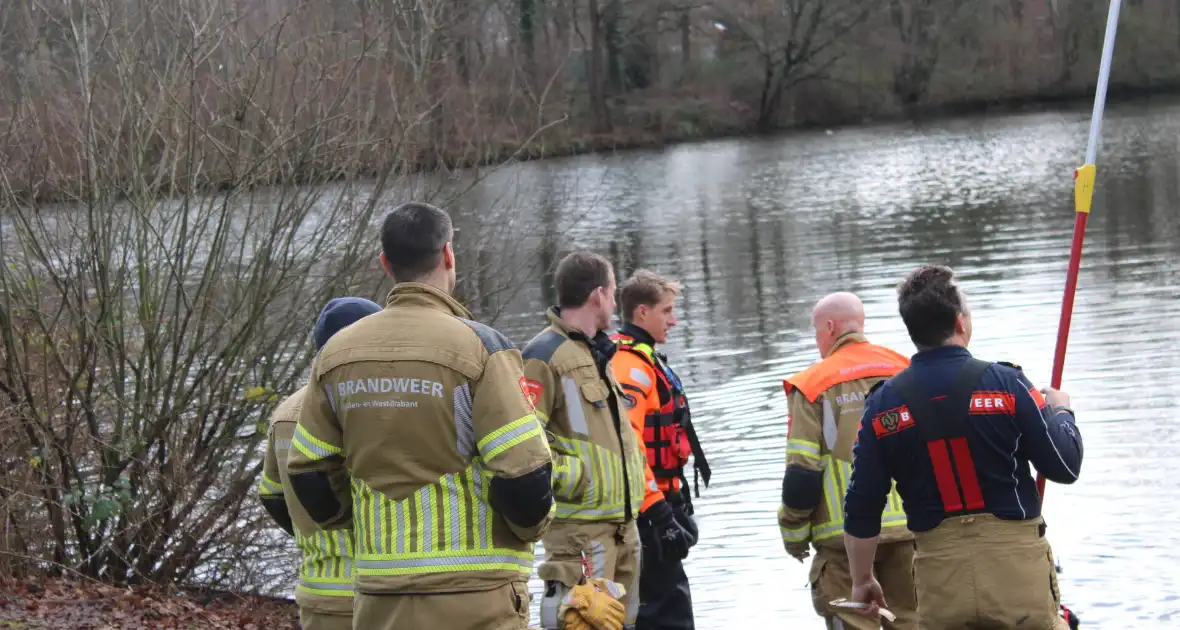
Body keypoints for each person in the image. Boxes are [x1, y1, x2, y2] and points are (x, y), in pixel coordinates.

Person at [285, 202, 556, 630]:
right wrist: (531, 529)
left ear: (385, 263)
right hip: (476, 593)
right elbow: (523, 475)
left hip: (380, 597)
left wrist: (357, 524)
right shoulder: (481, 348)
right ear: (449, 254)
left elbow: (306, 472)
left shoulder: (335, 355)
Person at [843, 265, 1084, 629]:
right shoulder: (1008, 384)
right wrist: (1060, 410)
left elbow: (862, 505)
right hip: (1016, 571)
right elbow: (1064, 467)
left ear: (913, 331)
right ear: (959, 322)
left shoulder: (882, 406)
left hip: (940, 578)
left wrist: (862, 579)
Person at [522, 251, 648, 630]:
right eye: (612, 293)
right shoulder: (543, 356)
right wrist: (574, 477)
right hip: (578, 533)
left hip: (623, 527)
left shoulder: (596, 352)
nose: (614, 302)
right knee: (578, 622)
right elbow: (521, 444)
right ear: (597, 295)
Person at [779, 292, 916, 630]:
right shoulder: (908, 370)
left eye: (816, 332)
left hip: (843, 543)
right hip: (912, 532)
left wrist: (794, 533)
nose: (817, 341)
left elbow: (802, 474)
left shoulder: (812, 385)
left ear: (830, 327)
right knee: (914, 621)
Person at [257, 296, 383, 630]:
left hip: (319, 594)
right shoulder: (375, 404)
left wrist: (315, 532)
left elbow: (272, 495)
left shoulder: (285, 413)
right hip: (380, 591)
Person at [609, 269, 711, 630]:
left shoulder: (645, 359)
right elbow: (630, 444)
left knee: (669, 606)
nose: (675, 320)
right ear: (642, 313)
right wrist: (659, 514)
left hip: (659, 501)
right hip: (646, 510)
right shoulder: (630, 368)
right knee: (667, 613)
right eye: (666, 311)